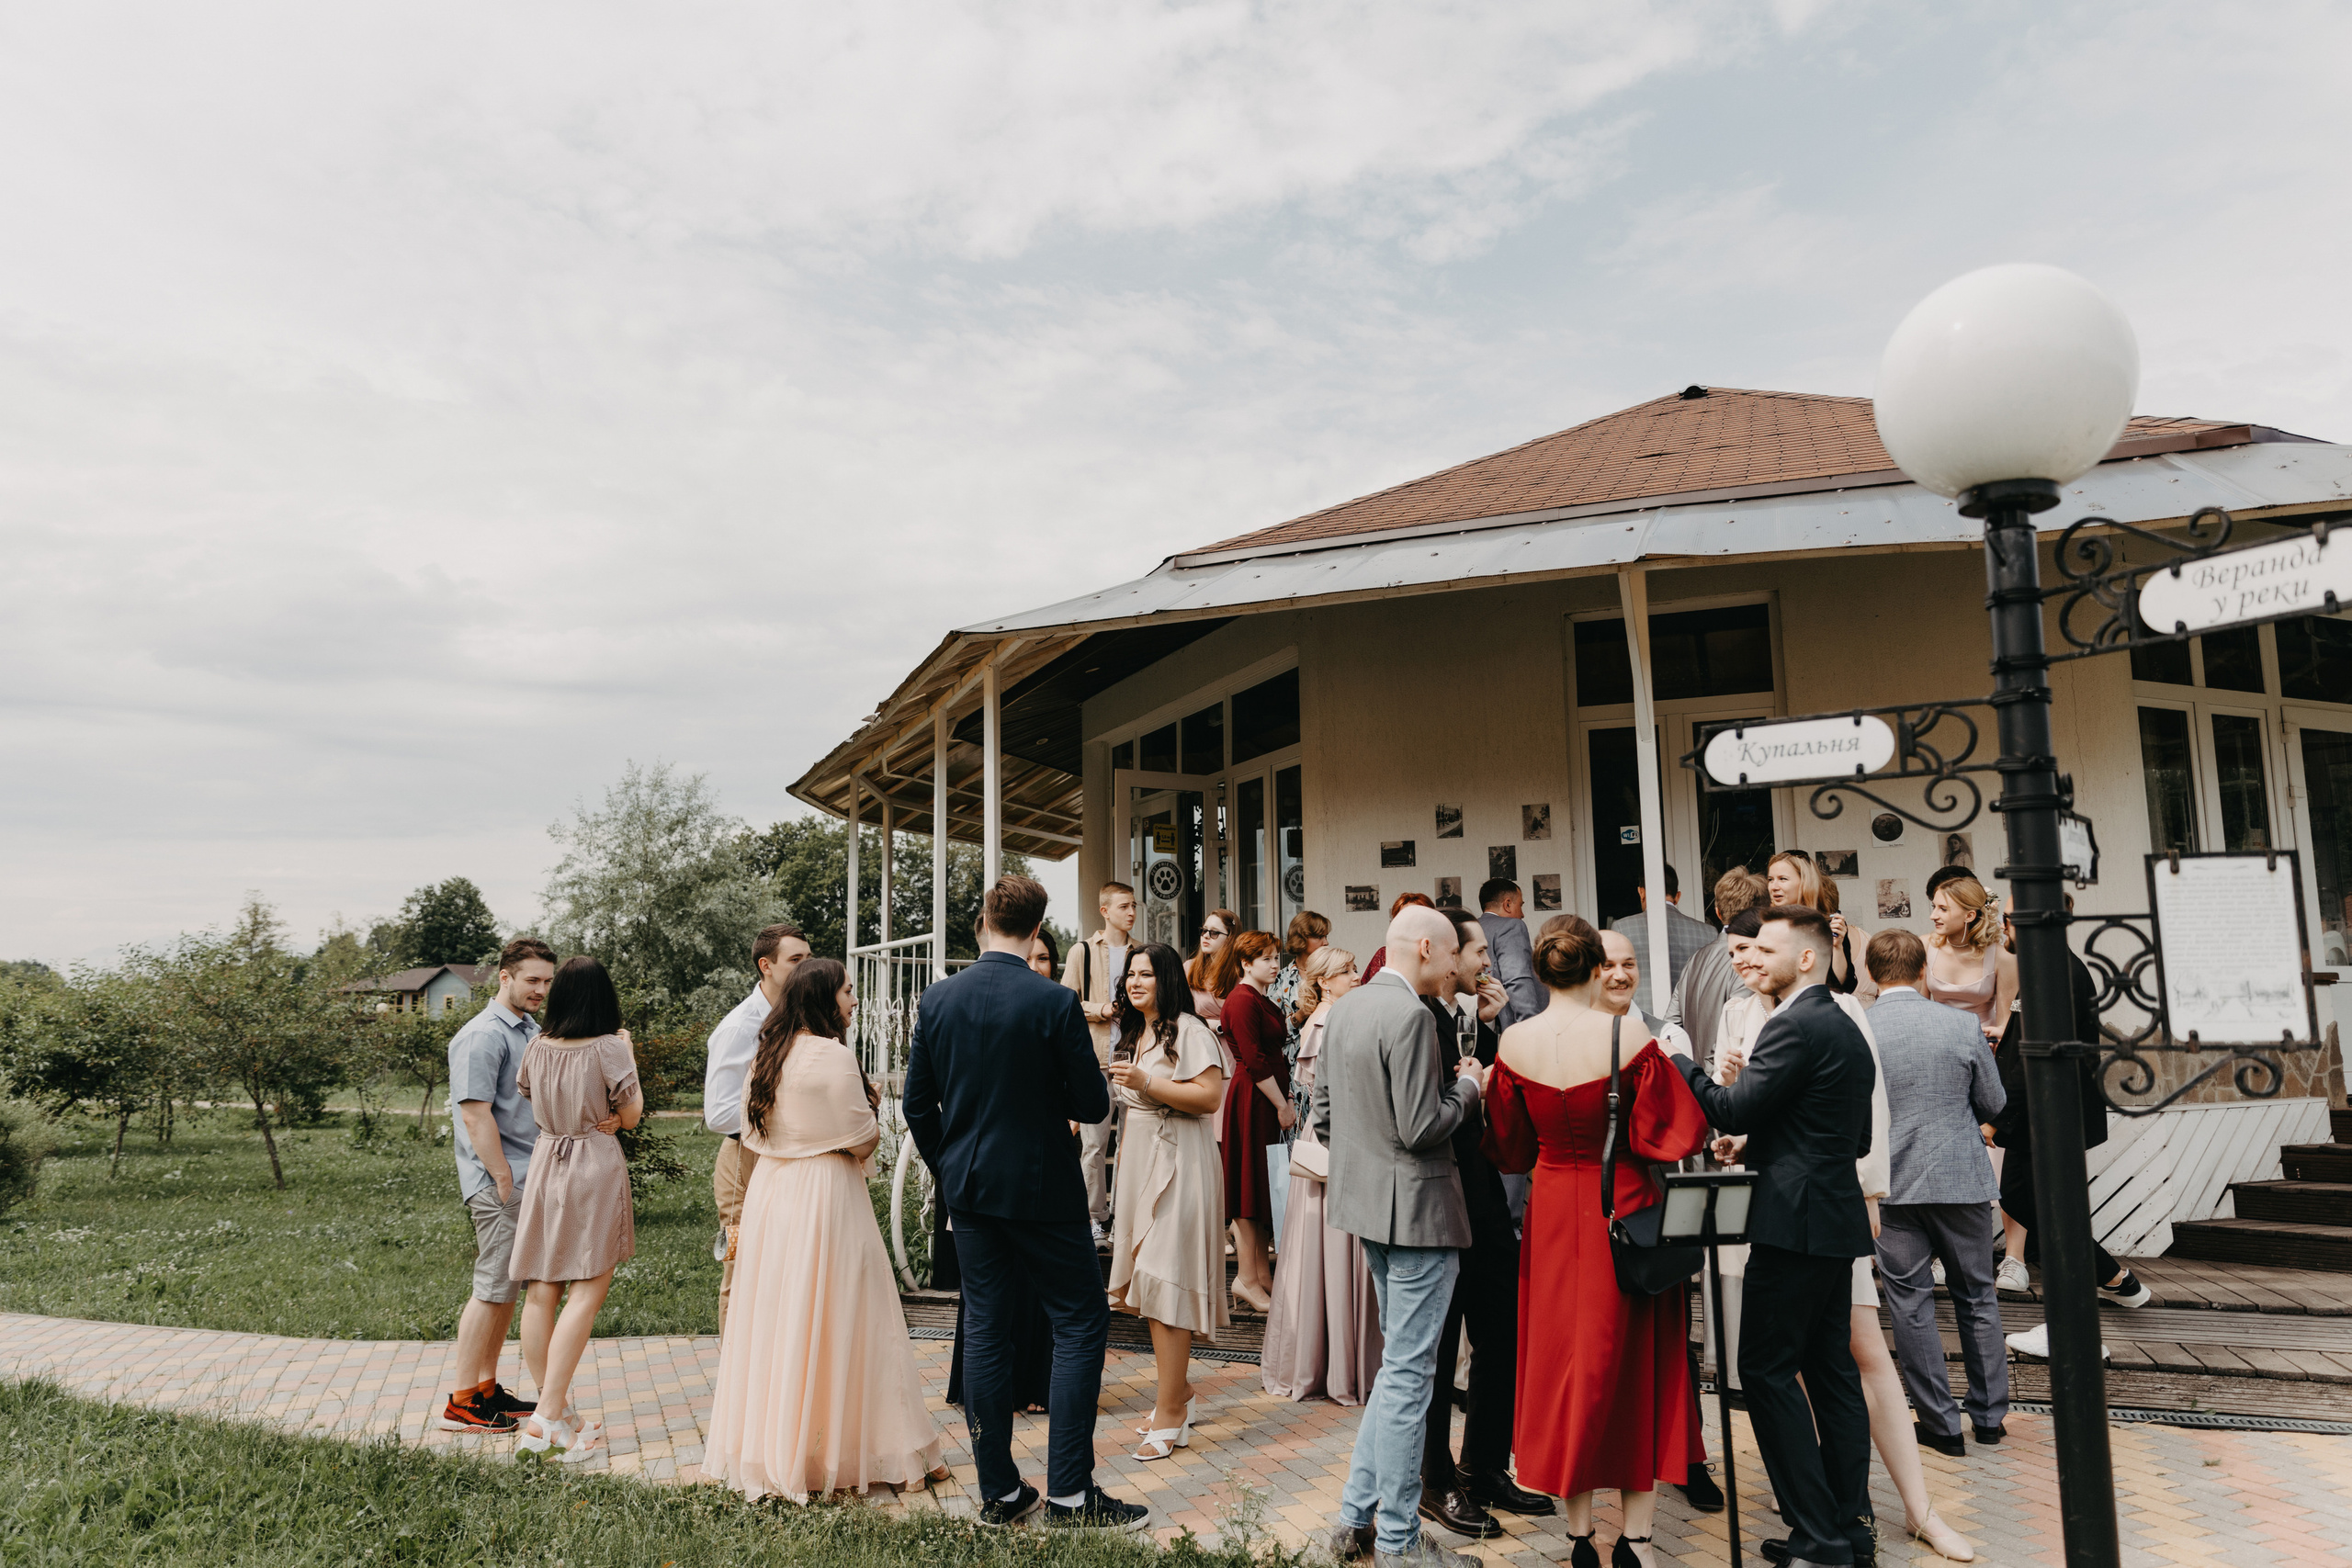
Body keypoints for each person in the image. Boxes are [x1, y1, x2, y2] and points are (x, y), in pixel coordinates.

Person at [903, 874, 1146, 1530]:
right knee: (1080, 1319)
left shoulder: (938, 998)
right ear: (1039, 930)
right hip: (1042, 1189)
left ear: (983, 920)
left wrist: (949, 1162)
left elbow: (914, 1104)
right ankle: (1070, 1493)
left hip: (971, 1191)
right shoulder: (1053, 1003)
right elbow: (1092, 1105)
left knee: (986, 1326)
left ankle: (1000, 1492)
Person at [1483, 916, 1709, 1568]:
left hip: (1553, 1207)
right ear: (1591, 968)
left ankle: (1580, 1534)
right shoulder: (1627, 1033)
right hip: (1626, 1206)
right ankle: (1636, 1541)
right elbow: (1673, 1134)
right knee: (1638, 1364)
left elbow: (1507, 1146)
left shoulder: (1515, 1041)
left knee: (1563, 1363)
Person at [1667, 908, 1877, 1568]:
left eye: (1768, 946)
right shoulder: (1843, 1024)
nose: (1755, 954)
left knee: (1763, 1368)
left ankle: (1817, 1537)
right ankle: (1850, 1529)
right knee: (1831, 1372)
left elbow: (1728, 1104)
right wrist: (1765, 1143)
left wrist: (1679, 1059)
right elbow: (1853, 1137)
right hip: (1833, 1216)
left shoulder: (1793, 1024)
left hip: (1792, 1222)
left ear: (1807, 958)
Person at [705, 959, 947, 1499]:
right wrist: (865, 1113)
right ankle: (854, 1449)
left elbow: (749, 1128)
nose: (854, 1000)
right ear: (823, 999)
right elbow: (863, 1140)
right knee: (849, 1312)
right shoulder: (833, 1055)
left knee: (782, 1314)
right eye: (847, 991)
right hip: (825, 1194)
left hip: (773, 1191)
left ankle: (783, 1448)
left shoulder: (767, 1055)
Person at [1313, 904, 1487, 1568]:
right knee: (1412, 1377)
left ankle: (1355, 1521)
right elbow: (1422, 1125)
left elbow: (1324, 1119)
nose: (1453, 966)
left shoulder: (1349, 1007)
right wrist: (1469, 1086)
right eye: (1449, 955)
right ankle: (1397, 1542)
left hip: (1366, 1211)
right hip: (1418, 1214)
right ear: (1424, 947)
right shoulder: (1413, 1015)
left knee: (1397, 1373)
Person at [1421, 908, 1551, 1539]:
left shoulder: (1470, 1018)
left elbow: (1499, 1094)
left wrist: (1496, 1027)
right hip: (1441, 1203)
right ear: (1451, 955)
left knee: (1501, 1332)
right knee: (1441, 1349)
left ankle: (1485, 1466)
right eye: (1479, 953)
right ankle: (1434, 1478)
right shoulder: (1420, 1019)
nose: (1487, 965)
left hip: (1486, 1198)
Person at [1588, 925, 1724, 1518]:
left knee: (1673, 1337)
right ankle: (1604, 1458)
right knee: (1602, 1343)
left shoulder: (1661, 1034)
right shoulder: (1571, 1037)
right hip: (1590, 1206)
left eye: (1628, 964)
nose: (1620, 974)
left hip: (1654, 1201)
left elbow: (1680, 1128)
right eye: (1607, 964)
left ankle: (1687, 1456)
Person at [1868, 929, 2011, 1488]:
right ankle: (1990, 1418)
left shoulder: (1861, 1028)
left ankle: (1940, 1424)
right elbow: (1995, 1102)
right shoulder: (1959, 1024)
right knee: (1977, 1294)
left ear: (1872, 973)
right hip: (1960, 1179)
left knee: (1910, 1303)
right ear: (1923, 968)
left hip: (1893, 1186)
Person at [1993, 896, 2149, 1348]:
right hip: (2045, 1114)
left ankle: (2074, 1321)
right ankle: (2111, 1281)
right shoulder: (2053, 967)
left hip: (2048, 1117)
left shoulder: (2052, 974)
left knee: (2040, 1207)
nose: (2004, 928)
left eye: (2008, 919)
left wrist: (1997, 1123)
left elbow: (2036, 1061)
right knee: (2028, 1201)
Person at [508, 955, 644, 1461]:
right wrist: (626, 1059)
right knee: (587, 1290)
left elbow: (526, 1093)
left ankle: (558, 1412)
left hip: (547, 1161)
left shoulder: (536, 1045)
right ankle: (546, 1419)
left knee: (542, 1289)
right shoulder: (611, 1047)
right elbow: (631, 1116)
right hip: (591, 1161)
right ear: (604, 997)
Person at [1104, 942, 1230, 1459]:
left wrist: (1147, 1081)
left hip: (1182, 1161)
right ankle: (1178, 1396)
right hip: (1141, 1159)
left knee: (1164, 1281)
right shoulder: (1137, 1033)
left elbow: (1208, 1098)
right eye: (1130, 974)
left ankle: (1173, 1411)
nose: (1135, 982)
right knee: (1150, 1283)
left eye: (1146, 975)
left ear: (1168, 981)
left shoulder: (1191, 1029)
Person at [436, 936, 558, 1435]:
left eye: (547, 982)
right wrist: (503, 1178)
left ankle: (486, 1389)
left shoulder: (527, 1028)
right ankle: (461, 1402)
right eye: (532, 980)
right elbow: (473, 1111)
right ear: (503, 977)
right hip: (500, 1182)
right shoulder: (482, 1034)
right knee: (491, 1288)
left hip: (526, 1176)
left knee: (506, 1289)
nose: (541, 990)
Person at [939, 926, 1061, 1415]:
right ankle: (989, 1392)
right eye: (1030, 955)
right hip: (978, 1168)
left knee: (1035, 1282)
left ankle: (1034, 1383)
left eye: (1046, 959)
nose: (1036, 965)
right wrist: (947, 1163)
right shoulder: (972, 1005)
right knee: (987, 1298)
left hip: (1041, 1164)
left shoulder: (1056, 1005)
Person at [1263, 945, 1384, 1404]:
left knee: (1326, 1247)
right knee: (1335, 1243)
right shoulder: (1329, 1021)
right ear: (1324, 981)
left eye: (1353, 969)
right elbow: (1324, 1091)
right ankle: (1339, 1360)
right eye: (1347, 970)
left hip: (1329, 1130)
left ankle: (1333, 1355)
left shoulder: (1328, 1018)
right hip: (1336, 1135)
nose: (1356, 975)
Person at [703, 921, 811, 1324]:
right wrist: (789, 1112)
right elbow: (718, 1113)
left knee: (787, 1269)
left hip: (790, 1158)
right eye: (795, 960)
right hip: (744, 1162)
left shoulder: (801, 1016)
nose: (804, 968)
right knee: (743, 1268)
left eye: (808, 959)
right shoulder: (740, 1027)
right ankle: (734, 1379)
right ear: (766, 965)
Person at [1212, 930, 1294, 1313]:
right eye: (1266, 958)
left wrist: (1285, 1097)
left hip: (1265, 1098)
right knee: (1247, 1188)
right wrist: (1282, 1104)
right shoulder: (1242, 1000)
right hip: (1253, 1099)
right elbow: (1254, 1059)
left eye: (1276, 957)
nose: (1275, 964)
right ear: (1246, 963)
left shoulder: (1259, 997)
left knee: (1260, 1186)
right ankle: (1245, 1277)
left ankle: (1260, 1275)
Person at [1063, 881, 1140, 1244]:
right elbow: (1066, 1003)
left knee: (1132, 1144)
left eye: (1134, 906)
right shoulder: (1083, 952)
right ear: (1105, 911)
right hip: (1097, 1062)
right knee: (1094, 1146)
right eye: (1124, 906)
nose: (1132, 912)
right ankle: (1095, 1218)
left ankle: (1127, 1215)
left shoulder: (1143, 953)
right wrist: (1102, 1009)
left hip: (1136, 1060)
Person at [1665, 867, 1770, 1078]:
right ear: (1763, 913)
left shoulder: (1695, 959)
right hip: (1728, 1081)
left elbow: (1671, 1024)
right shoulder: (1752, 963)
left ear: (1718, 912)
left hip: (1698, 1083)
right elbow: (1738, 1032)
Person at [1766, 851, 1873, 1002]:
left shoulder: (1827, 926)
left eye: (1783, 879)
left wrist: (1837, 947)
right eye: (1770, 879)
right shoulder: (1767, 926)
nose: (1774, 886)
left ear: (1805, 882)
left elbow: (1843, 986)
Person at [1923, 875, 2016, 1043]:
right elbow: (1919, 1009)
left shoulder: (2002, 957)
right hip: (1938, 1040)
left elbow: (2004, 1025)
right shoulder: (1925, 946)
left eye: (1943, 909)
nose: (1933, 916)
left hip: (1983, 1042)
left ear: (1969, 916)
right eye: (1934, 907)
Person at [1609, 863, 1718, 998]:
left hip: (1642, 1015)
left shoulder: (1622, 927)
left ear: (1641, 892)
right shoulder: (1708, 932)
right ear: (1677, 896)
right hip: (1690, 1016)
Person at [1477, 879, 1543, 1030]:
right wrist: (1530, 1026)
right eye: (1520, 905)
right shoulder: (1512, 926)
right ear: (1507, 904)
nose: (1522, 914)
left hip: (1480, 1025)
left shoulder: (1470, 927)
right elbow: (1517, 979)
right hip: (1510, 1028)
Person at [1270, 909, 1332, 1058]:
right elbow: (1272, 1034)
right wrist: (1299, 1016)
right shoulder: (1280, 980)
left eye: (1326, 936)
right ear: (1301, 939)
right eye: (1319, 936)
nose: (1326, 942)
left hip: (1330, 1057)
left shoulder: (1334, 973)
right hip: (1294, 1065)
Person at [1360, 890, 1437, 983]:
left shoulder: (1440, 954)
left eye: (1416, 917)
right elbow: (1369, 990)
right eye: (1404, 917)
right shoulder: (1384, 955)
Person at [1187, 908, 1237, 1023]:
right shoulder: (1189, 967)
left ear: (1230, 938)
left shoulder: (1240, 971)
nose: (1206, 936)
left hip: (1231, 1040)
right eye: (1204, 930)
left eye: (1214, 932)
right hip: (1197, 1038)